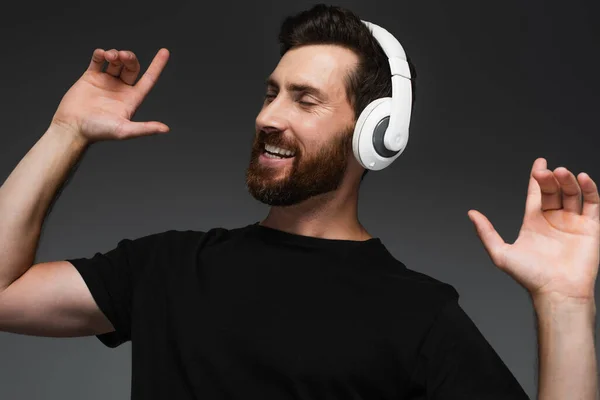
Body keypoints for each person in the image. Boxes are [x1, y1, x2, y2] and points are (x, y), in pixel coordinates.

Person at [0, 4, 597, 400]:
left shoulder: (419, 316)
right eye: (270, 93)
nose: (267, 117)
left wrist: (564, 303)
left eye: (304, 100)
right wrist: (66, 132)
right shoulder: (167, 268)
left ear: (378, 133)